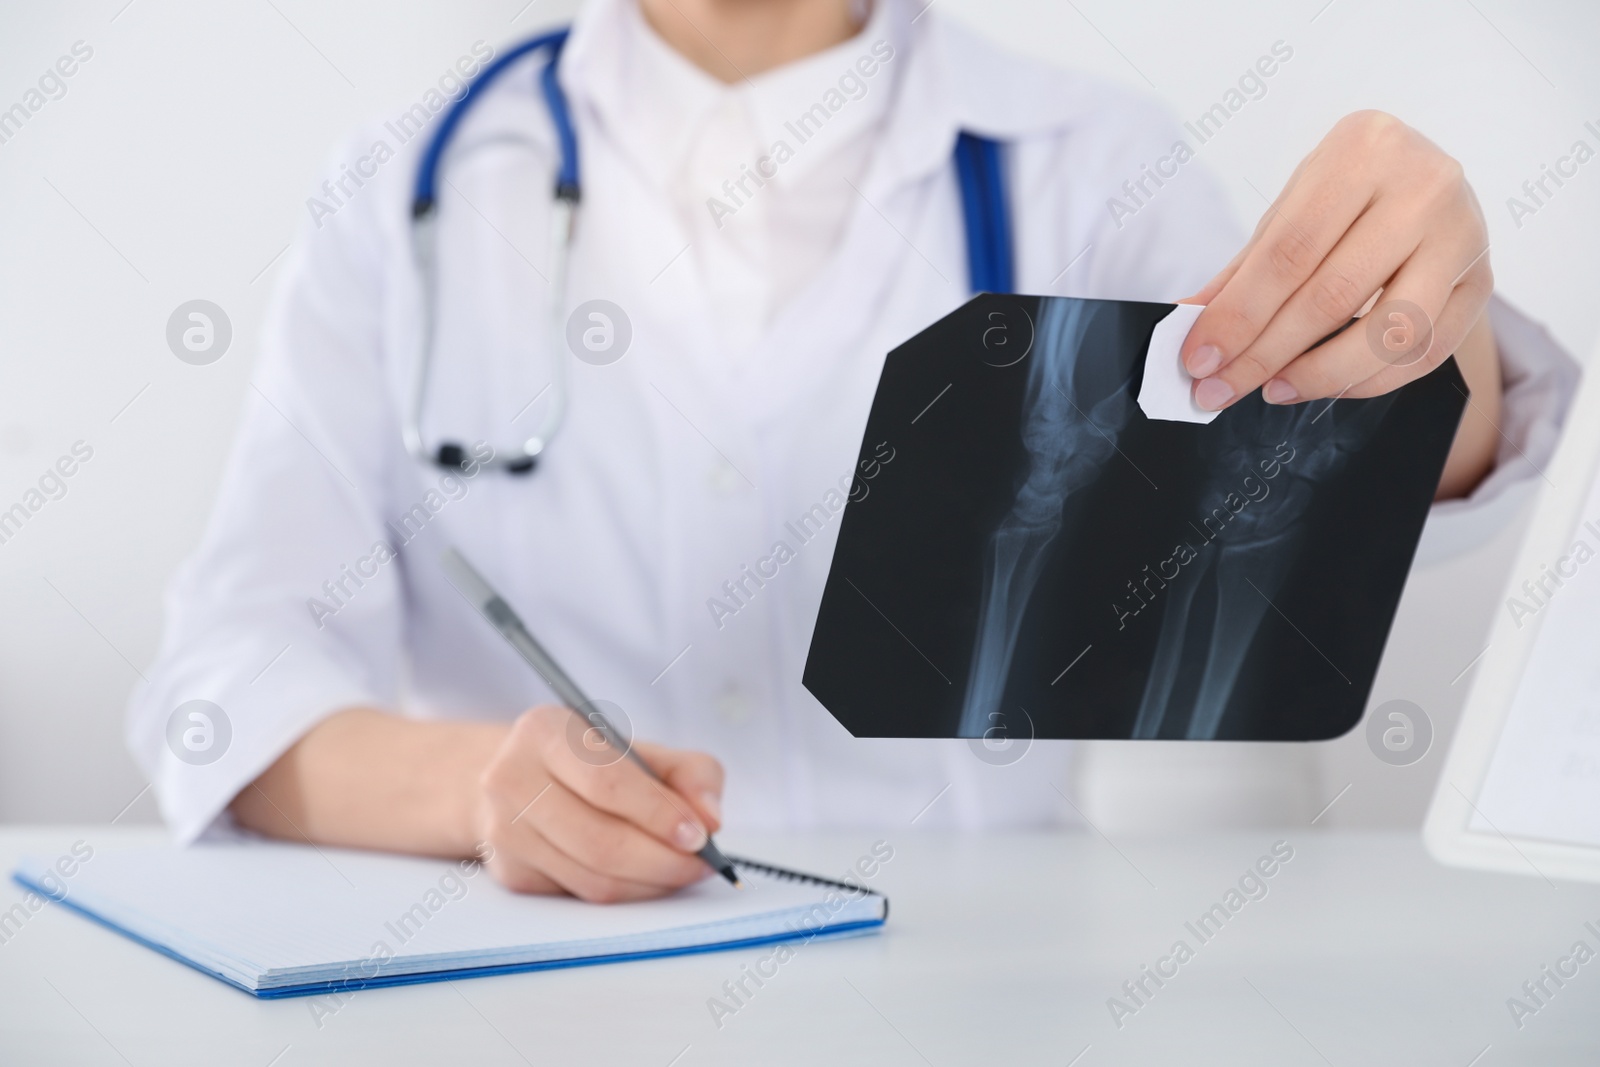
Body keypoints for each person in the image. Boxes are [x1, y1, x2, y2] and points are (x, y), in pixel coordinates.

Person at [128, 0, 1576, 902]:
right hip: (539, 988)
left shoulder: (1089, 158)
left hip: (983, 988)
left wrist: (1419, 320)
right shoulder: (407, 189)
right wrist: (476, 797)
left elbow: (1325, 503)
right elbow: (224, 680)